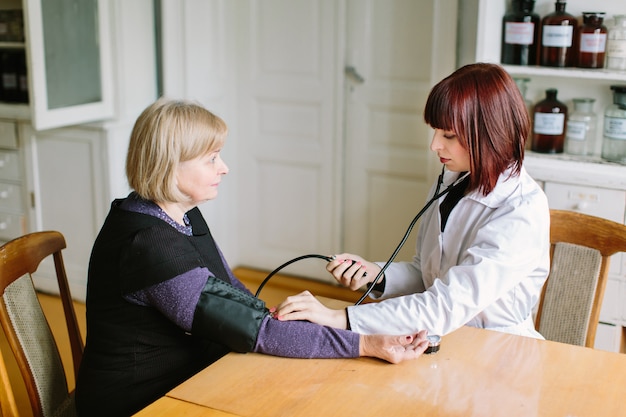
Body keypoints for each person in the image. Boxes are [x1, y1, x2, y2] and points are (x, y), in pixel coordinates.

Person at [74, 98, 429, 417]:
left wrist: (276, 316)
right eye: (211, 159)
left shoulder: (181, 213)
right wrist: (365, 344)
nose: (224, 168)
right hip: (140, 402)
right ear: (169, 166)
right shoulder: (148, 245)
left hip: (192, 375)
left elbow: (227, 287)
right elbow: (253, 330)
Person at [272, 63, 550, 340]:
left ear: (489, 133)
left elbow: (445, 306)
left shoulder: (522, 211)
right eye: (436, 132)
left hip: (496, 351)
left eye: (448, 135)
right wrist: (376, 275)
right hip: (440, 339)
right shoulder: (453, 181)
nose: (434, 145)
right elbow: (428, 274)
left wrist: (338, 317)